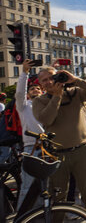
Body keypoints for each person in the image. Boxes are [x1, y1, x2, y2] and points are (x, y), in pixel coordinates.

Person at [32, 67, 86, 219]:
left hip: (81, 150)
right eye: (44, 80)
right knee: (58, 196)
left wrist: (75, 80)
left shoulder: (75, 93)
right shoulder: (39, 101)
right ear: (40, 84)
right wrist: (56, 97)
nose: (49, 82)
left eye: (52, 77)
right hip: (57, 154)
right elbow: (47, 119)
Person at [15, 59, 45, 209]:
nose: (35, 90)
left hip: (47, 149)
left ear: (42, 92)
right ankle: (23, 216)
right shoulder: (24, 106)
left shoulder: (48, 106)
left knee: (46, 186)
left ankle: (42, 214)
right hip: (30, 148)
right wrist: (24, 73)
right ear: (28, 94)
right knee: (27, 186)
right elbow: (20, 92)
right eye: (32, 89)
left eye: (37, 89)